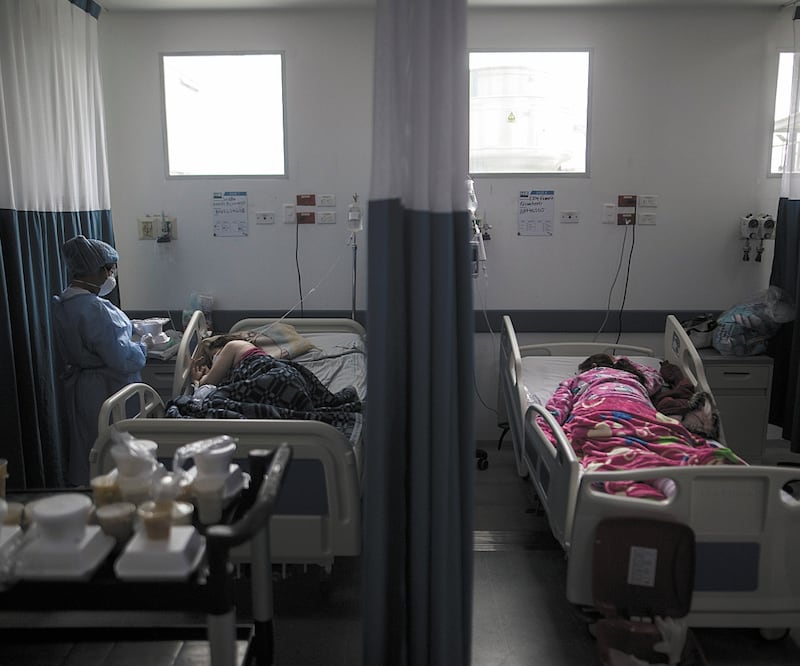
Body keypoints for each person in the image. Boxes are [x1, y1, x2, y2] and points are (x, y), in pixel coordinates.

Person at [52, 235, 150, 486]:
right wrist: (143, 346)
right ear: (95, 270)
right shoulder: (95, 308)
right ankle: (119, 492)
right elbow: (121, 358)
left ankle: (90, 489)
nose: (111, 275)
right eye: (109, 269)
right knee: (113, 445)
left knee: (87, 444)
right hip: (107, 386)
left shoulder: (64, 303)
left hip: (82, 385)